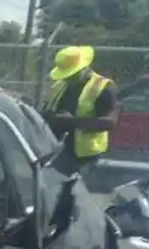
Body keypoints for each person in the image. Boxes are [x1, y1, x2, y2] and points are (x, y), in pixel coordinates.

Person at [42, 44, 119, 177]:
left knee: (78, 192)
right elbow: (50, 111)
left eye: (72, 74)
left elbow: (109, 122)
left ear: (84, 68)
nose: (68, 78)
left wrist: (72, 122)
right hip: (58, 150)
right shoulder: (60, 86)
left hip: (86, 156)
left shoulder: (103, 86)